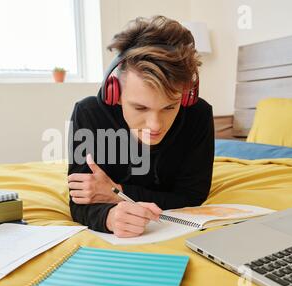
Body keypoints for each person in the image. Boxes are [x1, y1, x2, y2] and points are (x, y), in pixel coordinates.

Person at [67, 15, 214, 238]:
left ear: (186, 97)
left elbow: (192, 197)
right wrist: (109, 217)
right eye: (140, 108)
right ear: (114, 93)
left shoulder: (198, 115)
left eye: (169, 107)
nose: (155, 125)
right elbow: (80, 199)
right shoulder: (89, 114)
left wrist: (117, 193)